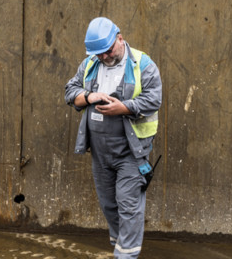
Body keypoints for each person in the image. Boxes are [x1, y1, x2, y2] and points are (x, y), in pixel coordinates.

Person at [64, 17, 162, 259]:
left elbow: (153, 99)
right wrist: (89, 97)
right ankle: (124, 250)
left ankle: (125, 256)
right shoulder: (89, 64)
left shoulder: (143, 64)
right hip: (100, 152)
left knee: (129, 207)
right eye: (99, 54)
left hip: (131, 152)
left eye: (108, 51)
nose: (105, 58)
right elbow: (70, 92)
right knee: (110, 206)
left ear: (120, 38)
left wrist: (124, 107)